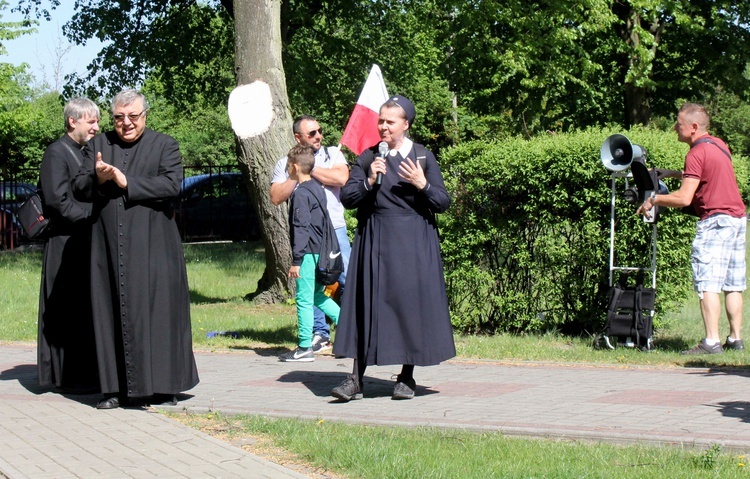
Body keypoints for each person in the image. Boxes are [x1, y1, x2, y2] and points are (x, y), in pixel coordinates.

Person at [74, 89, 199, 409]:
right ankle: (114, 389)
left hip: (154, 245)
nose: (126, 123)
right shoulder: (98, 146)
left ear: (145, 115)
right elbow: (78, 188)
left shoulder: (165, 144)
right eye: (119, 117)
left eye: (133, 116)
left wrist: (125, 181)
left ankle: (165, 385)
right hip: (107, 249)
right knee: (109, 312)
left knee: (160, 313)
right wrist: (100, 179)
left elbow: (171, 184)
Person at [330, 95, 456, 401]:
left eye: (390, 121)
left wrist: (422, 184)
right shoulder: (368, 157)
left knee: (408, 307)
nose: (383, 126)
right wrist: (370, 181)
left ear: (406, 124)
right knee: (366, 305)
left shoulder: (423, 157)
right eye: (381, 121)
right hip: (374, 239)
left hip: (413, 242)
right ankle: (355, 379)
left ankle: (407, 377)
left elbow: (442, 202)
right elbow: (347, 198)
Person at [638, 102, 747, 355]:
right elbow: (704, 175)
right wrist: (675, 173)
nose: (675, 128)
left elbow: (684, 199)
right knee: (733, 283)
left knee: (708, 282)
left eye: (679, 123)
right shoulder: (719, 145)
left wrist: (654, 199)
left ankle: (711, 342)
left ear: (693, 127)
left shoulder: (696, 153)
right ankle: (735, 339)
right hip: (737, 219)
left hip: (716, 222)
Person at [270, 115, 351, 352]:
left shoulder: (332, 154)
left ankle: (351, 332)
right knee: (311, 287)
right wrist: (297, 174)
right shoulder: (286, 163)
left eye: (319, 131)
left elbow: (342, 178)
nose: (318, 136)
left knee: (346, 279)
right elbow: (276, 196)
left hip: (334, 231)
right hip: (306, 235)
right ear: (298, 137)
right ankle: (319, 334)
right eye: (312, 133)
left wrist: (309, 168)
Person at [37, 98, 101, 392]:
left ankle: (84, 372)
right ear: (72, 121)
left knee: (83, 308)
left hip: (83, 239)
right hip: (64, 241)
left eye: (97, 122)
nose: (96, 127)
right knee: (64, 308)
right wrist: (93, 218)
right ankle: (63, 376)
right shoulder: (56, 153)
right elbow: (57, 201)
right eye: (91, 122)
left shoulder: (87, 152)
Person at [278, 145, 341, 362]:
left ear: (295, 167)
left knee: (304, 300)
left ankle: (304, 346)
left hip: (306, 256)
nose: (287, 169)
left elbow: (301, 228)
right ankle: (349, 328)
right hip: (320, 252)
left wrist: (296, 260)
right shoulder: (318, 188)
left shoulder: (301, 194)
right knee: (316, 296)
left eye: (287, 166)